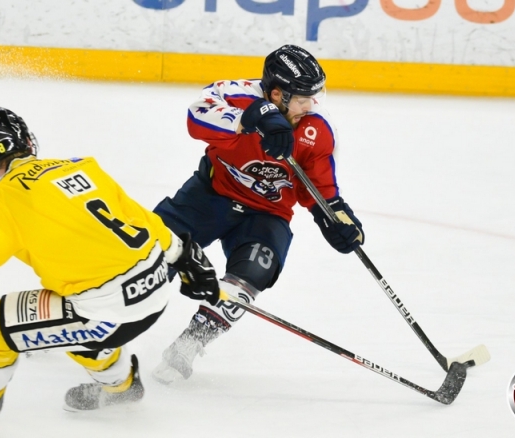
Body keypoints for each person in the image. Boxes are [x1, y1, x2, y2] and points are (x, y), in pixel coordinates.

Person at [0, 107, 220, 434]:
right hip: (156, 289)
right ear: (29, 142)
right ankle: (122, 387)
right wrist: (183, 254)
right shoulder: (82, 167)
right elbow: (139, 216)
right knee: (69, 324)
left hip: (108, 311)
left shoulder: (1, 195)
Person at [151, 45, 364, 383]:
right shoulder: (236, 95)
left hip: (267, 213)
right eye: (302, 99)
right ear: (277, 94)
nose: (310, 105)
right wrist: (251, 118)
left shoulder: (317, 129)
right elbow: (196, 118)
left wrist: (336, 216)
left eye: (314, 96)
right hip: (208, 196)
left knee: (253, 272)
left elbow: (318, 187)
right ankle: (86, 321)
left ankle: (187, 347)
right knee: (147, 258)